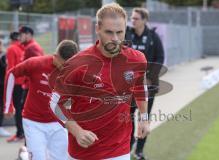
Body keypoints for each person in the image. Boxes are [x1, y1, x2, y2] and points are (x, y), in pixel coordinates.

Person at [49, 3, 150, 160]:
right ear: (98, 29)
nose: (115, 39)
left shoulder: (137, 59)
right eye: (109, 32)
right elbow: (55, 103)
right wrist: (77, 131)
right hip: (83, 153)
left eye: (120, 32)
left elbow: (140, 87)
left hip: (120, 150)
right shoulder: (77, 64)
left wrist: (144, 117)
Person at [5, 40, 79, 160]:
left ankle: (25, 154)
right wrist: (8, 105)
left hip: (58, 123)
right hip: (33, 122)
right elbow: (11, 74)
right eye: (62, 65)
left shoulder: (75, 71)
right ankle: (25, 155)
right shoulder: (36, 63)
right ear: (55, 56)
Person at [125, 7, 165, 160]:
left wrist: (150, 75)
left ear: (144, 20)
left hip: (148, 85)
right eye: (132, 18)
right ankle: (128, 146)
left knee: (144, 117)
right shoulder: (127, 34)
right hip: (128, 86)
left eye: (136, 18)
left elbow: (160, 58)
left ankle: (139, 151)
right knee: (128, 117)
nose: (133, 21)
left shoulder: (153, 37)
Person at [5, 32, 25, 142]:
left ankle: (19, 133)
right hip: (25, 82)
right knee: (22, 108)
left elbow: (11, 69)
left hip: (16, 82)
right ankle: (22, 131)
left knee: (17, 108)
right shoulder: (23, 48)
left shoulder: (11, 48)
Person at [0, 40, 11, 137]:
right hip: (1, 84)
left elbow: (6, 69)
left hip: (2, 84)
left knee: (1, 105)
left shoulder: (3, 56)